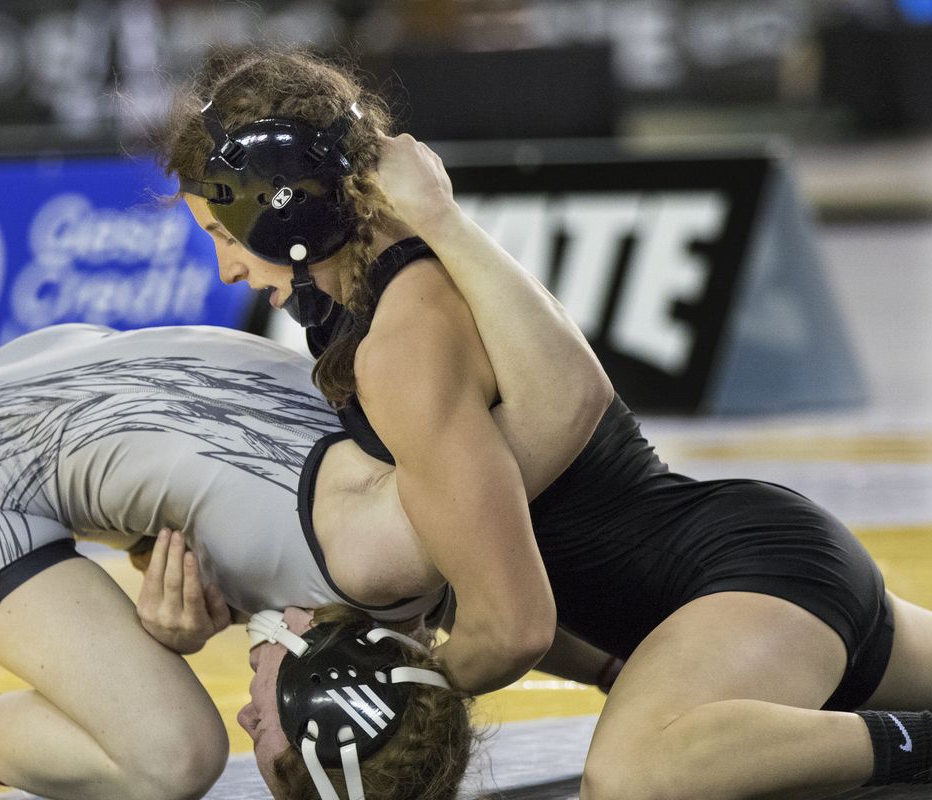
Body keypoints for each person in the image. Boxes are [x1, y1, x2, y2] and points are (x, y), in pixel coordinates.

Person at [164, 46, 932, 799]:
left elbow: (510, 627)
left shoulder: (402, 338)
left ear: (282, 214)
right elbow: (479, 552)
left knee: (634, 776)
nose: (227, 269)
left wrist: (378, 691)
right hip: (738, 585)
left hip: (739, 587)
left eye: (223, 236)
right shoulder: (366, 300)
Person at [0, 322, 482, 800]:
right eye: (263, 730)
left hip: (52, 363)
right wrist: (168, 636)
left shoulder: (425, 555)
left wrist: (178, 607)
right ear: (314, 694)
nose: (244, 714)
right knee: (176, 757)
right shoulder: (375, 558)